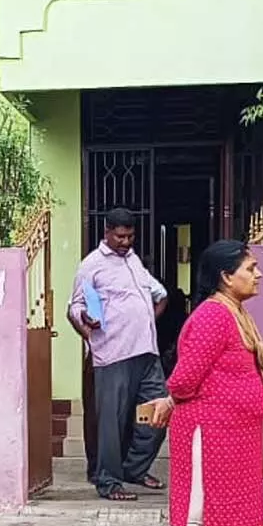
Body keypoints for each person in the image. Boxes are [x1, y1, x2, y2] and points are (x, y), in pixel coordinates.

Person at [159, 240, 263, 526]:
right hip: (206, 430)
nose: (258, 274)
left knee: (216, 518)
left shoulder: (235, 313)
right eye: (250, 268)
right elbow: (185, 378)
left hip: (230, 435)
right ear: (227, 277)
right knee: (189, 519)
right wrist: (169, 398)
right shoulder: (213, 316)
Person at [66, 208, 170, 501]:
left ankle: (133, 469)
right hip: (112, 353)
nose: (125, 242)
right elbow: (74, 307)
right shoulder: (92, 266)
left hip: (147, 352)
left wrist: (144, 319)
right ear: (107, 232)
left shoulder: (134, 261)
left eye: (130, 236)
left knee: (159, 412)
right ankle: (109, 482)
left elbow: (159, 296)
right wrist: (87, 323)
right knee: (111, 423)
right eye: (120, 236)